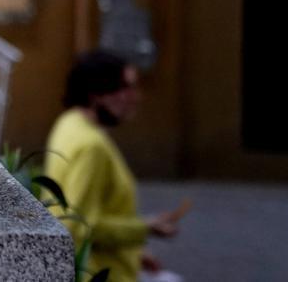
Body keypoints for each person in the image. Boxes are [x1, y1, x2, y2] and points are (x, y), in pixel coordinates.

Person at [45, 50, 185, 282]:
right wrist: (145, 227)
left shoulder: (68, 123)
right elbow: (79, 225)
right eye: (125, 87)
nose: (134, 97)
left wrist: (135, 252)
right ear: (96, 93)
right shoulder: (92, 145)